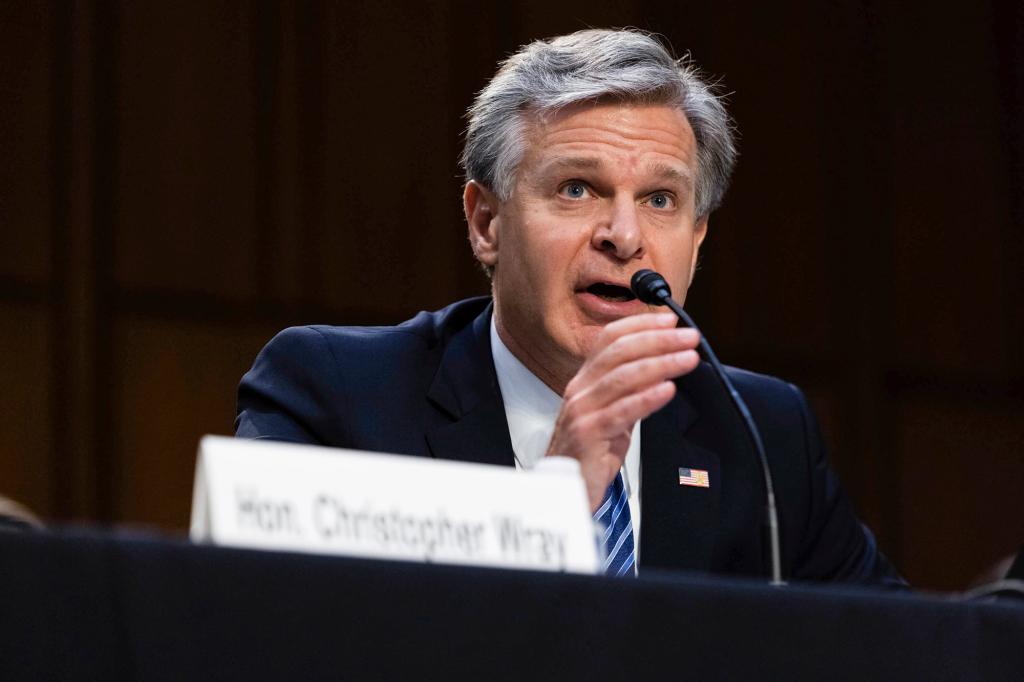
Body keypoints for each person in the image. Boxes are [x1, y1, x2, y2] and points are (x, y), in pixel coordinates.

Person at [236, 28, 905, 586]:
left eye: (661, 199)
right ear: (486, 223)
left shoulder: (761, 431)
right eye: (578, 188)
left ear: (697, 240)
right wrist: (552, 506)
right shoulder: (336, 397)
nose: (625, 235)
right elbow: (265, 632)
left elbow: (896, 645)